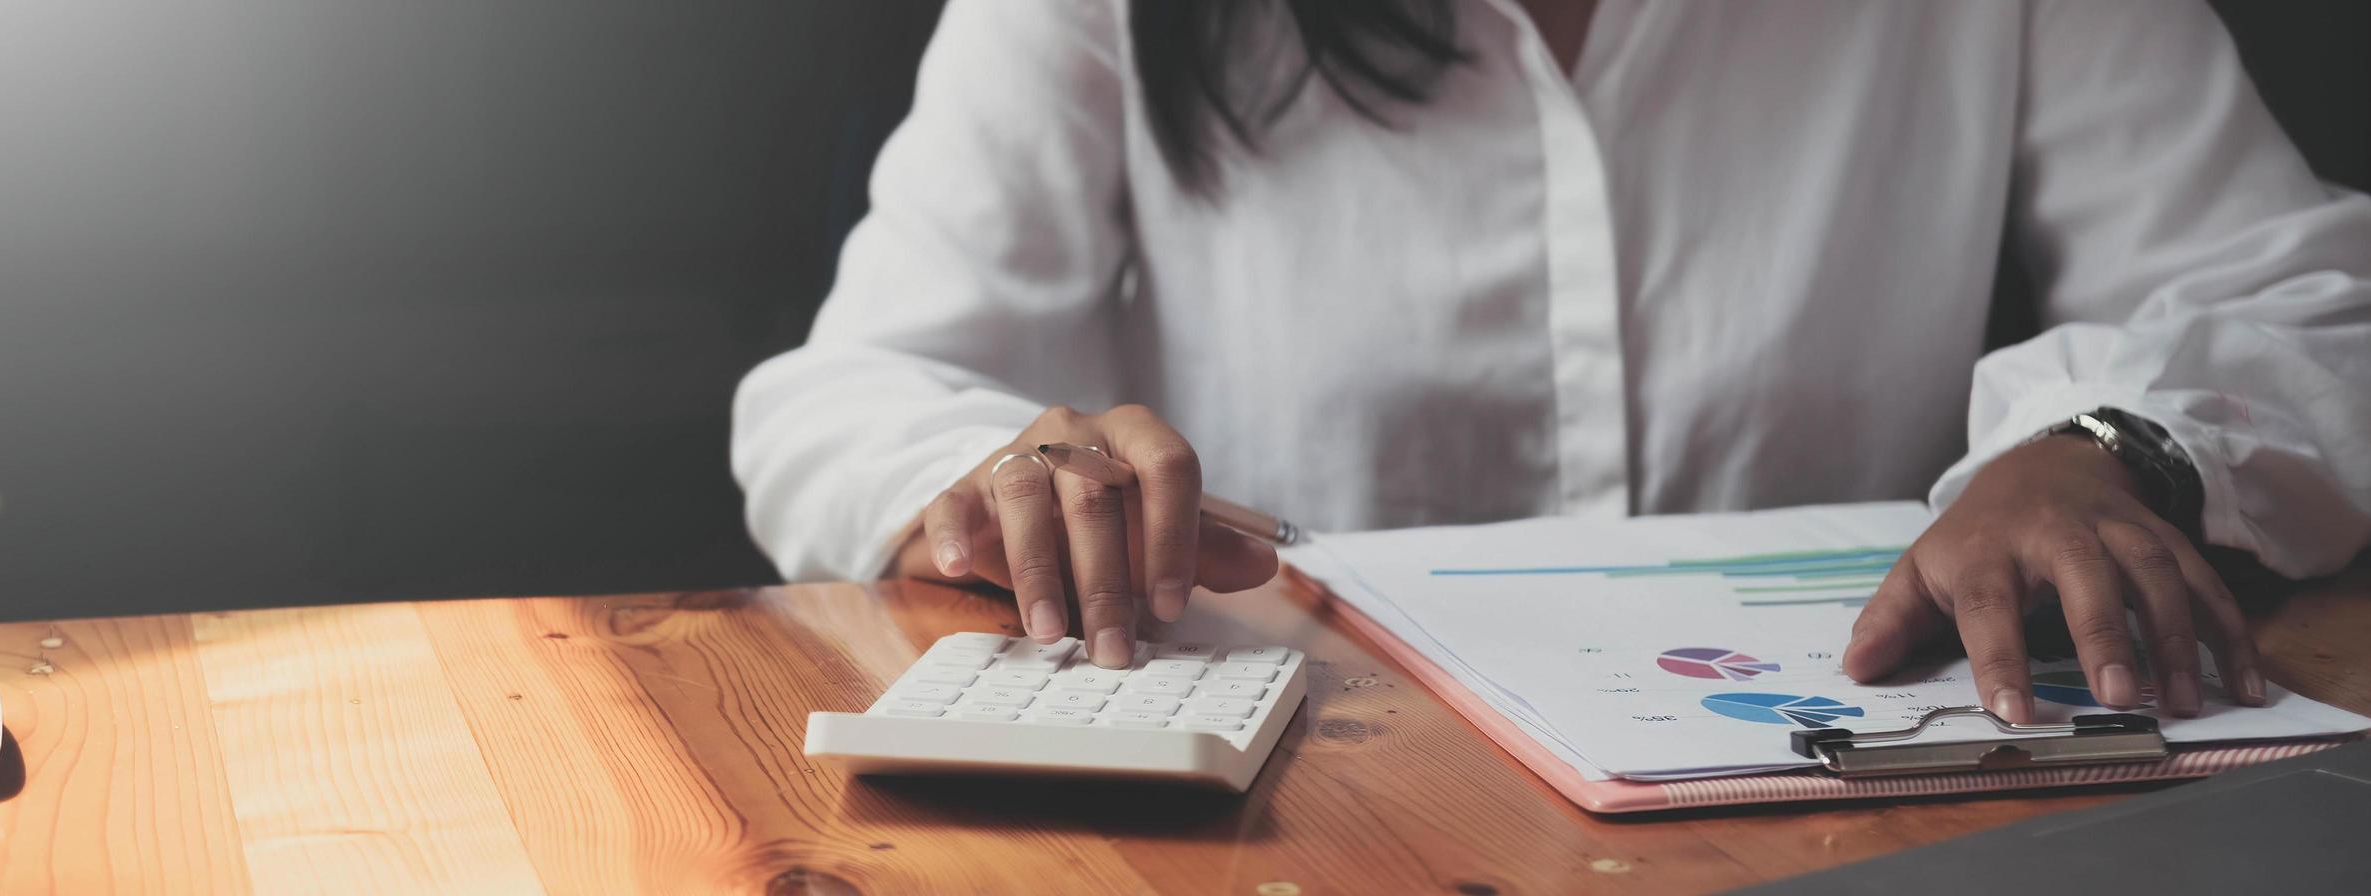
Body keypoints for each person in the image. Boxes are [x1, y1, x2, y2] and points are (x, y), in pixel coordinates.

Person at [732, 0, 2371, 724]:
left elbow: (2304, 289)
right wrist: (989, 477)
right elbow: (847, 389)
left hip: (1872, 800)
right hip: (1318, 830)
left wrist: (2107, 443)